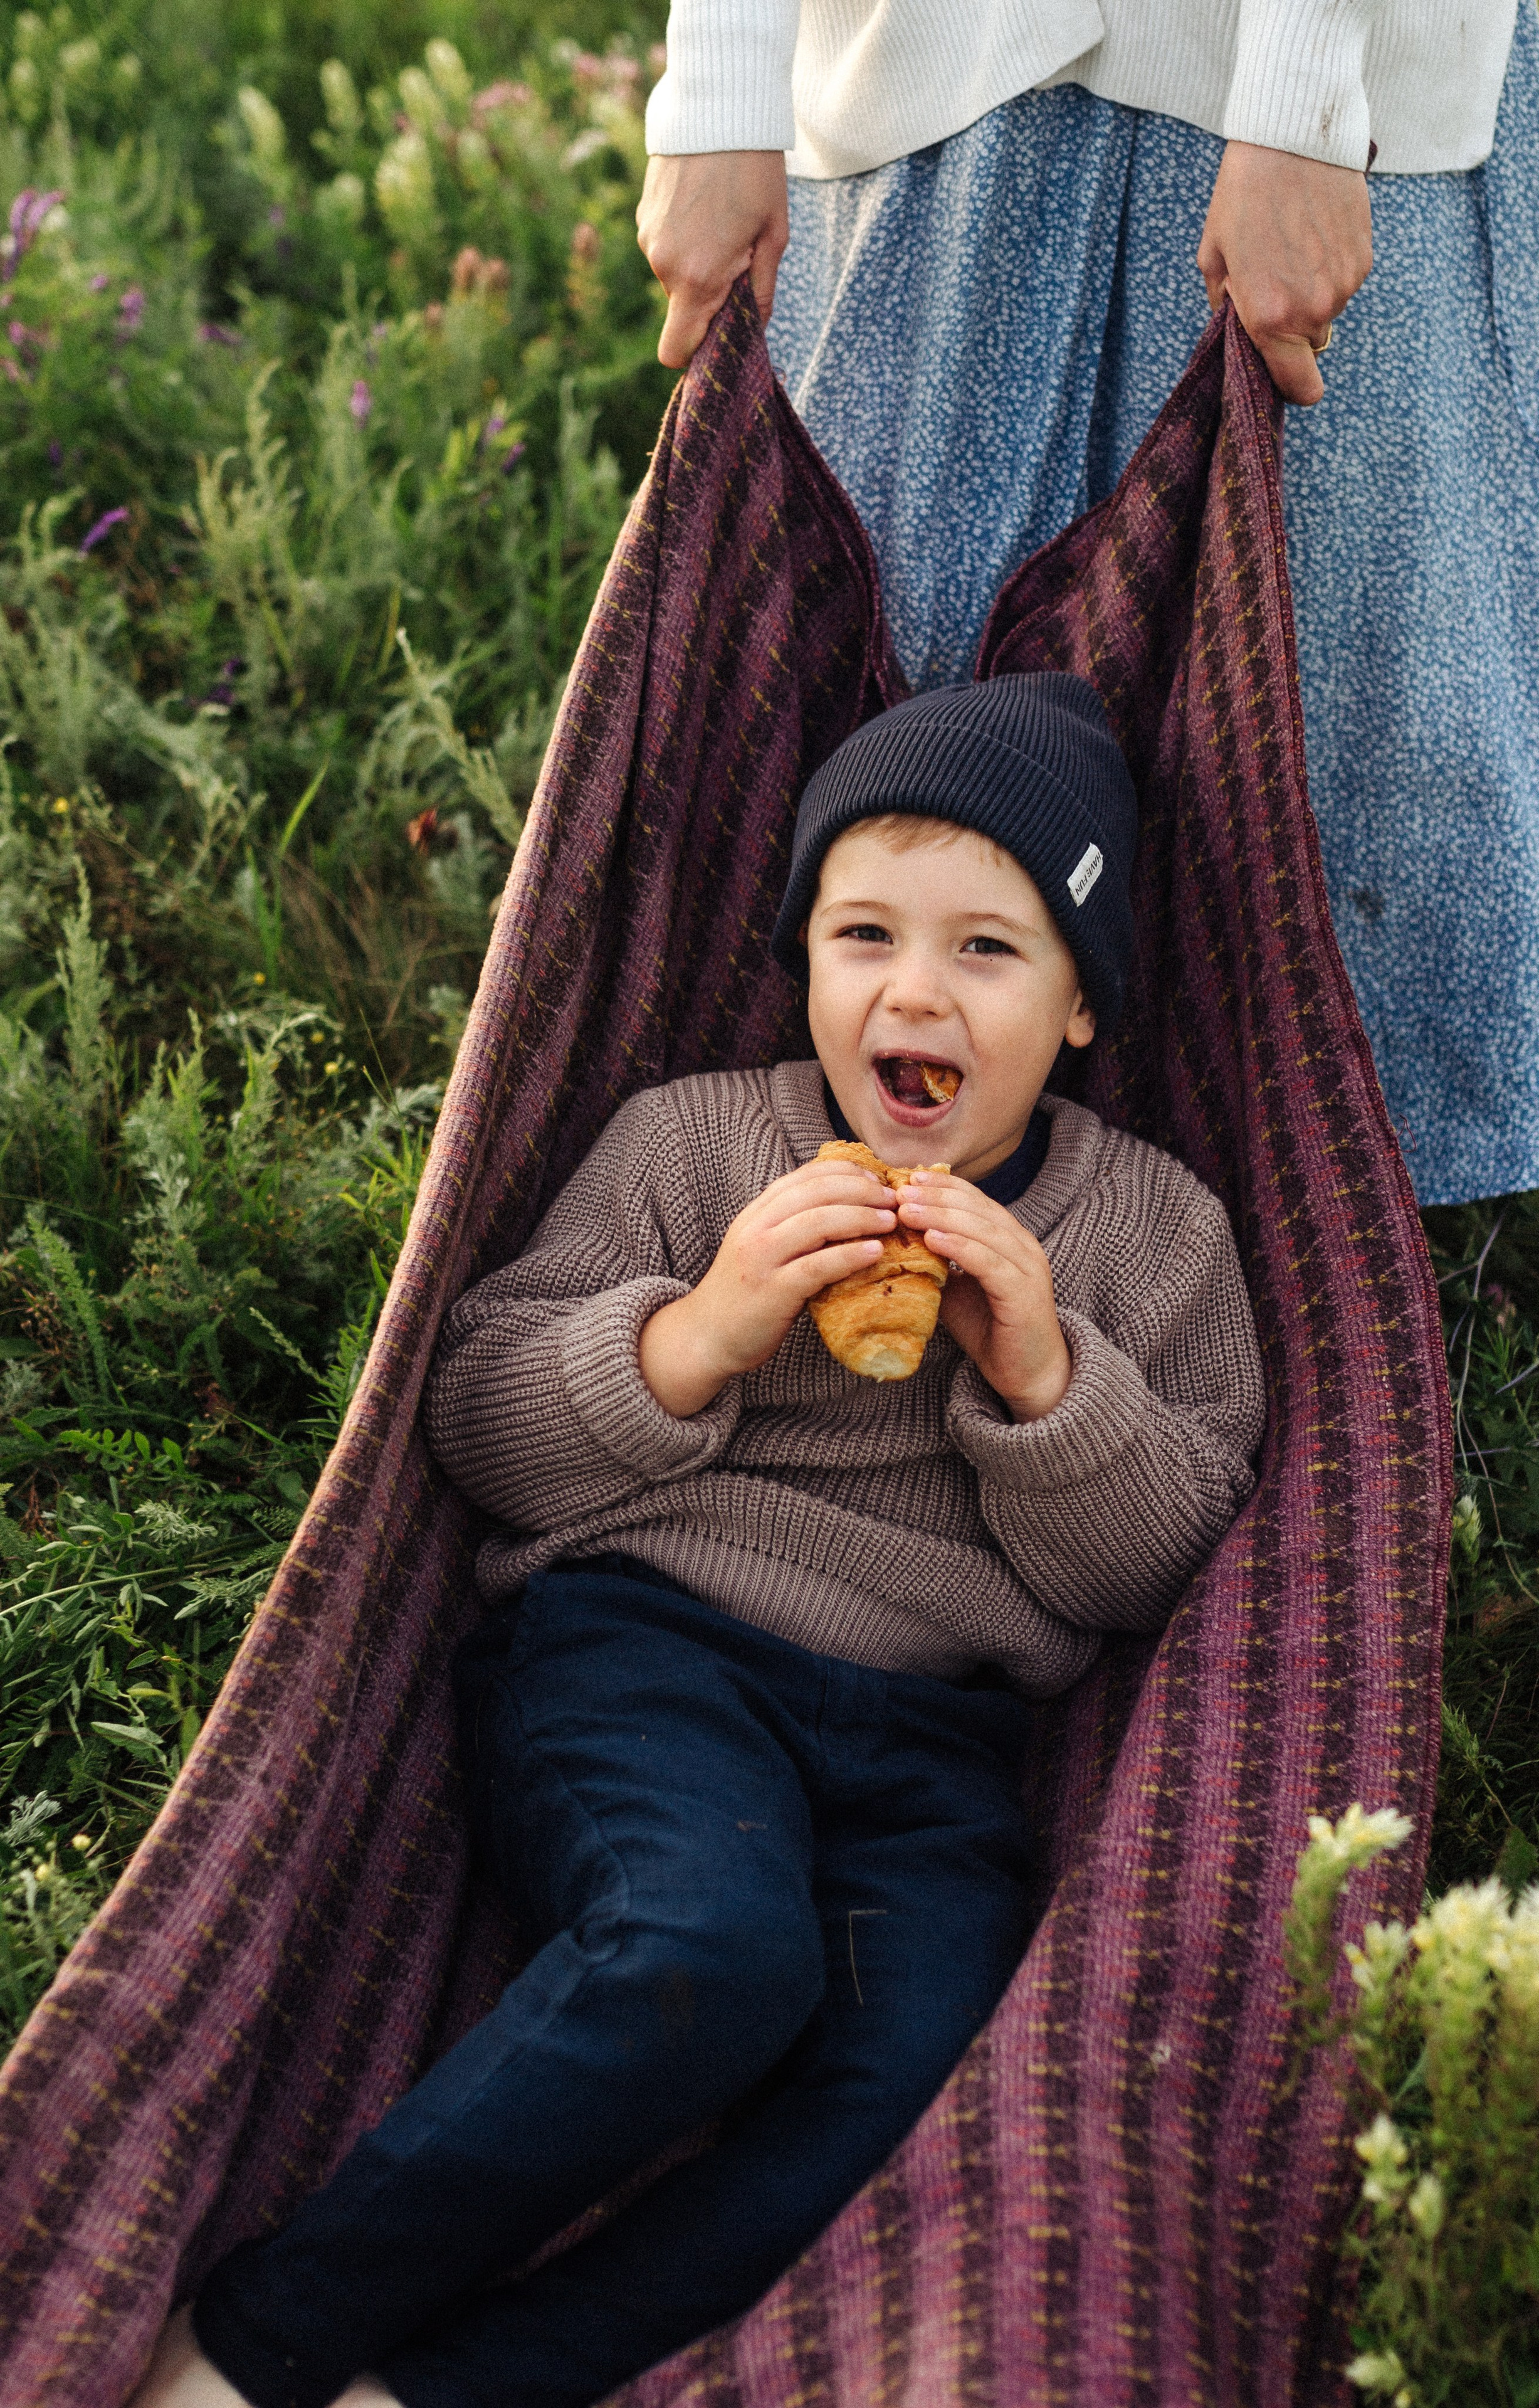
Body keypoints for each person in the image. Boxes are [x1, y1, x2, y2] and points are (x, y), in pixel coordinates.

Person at [130, 673, 1265, 2408]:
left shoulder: (1154, 1236)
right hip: (646, 1653)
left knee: (914, 2068)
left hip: (938, 1748)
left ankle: (451, 2385)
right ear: (802, 959)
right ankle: (261, 2338)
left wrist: (1049, 1381)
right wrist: (702, 1332)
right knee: (710, 1951)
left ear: (1083, 1007)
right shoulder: (696, 1143)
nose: (911, 992)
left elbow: (1165, 1573)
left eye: (986, 950)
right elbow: (479, 1427)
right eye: (864, 933)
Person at [636, 0, 1539, 1213]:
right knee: (894, 718)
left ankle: (1306, 1260)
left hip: (1290, 96)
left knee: (1303, 740)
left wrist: (1303, 102)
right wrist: (722, 87)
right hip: (933, 73)